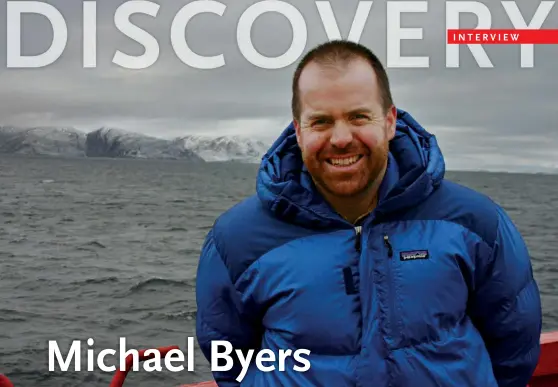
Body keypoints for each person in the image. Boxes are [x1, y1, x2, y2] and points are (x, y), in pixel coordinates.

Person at [195, 40, 543, 386]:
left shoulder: (474, 223)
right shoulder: (237, 240)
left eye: (359, 116)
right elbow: (231, 360)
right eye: (321, 122)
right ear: (298, 132)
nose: (342, 138)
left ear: (390, 121)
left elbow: (514, 347)